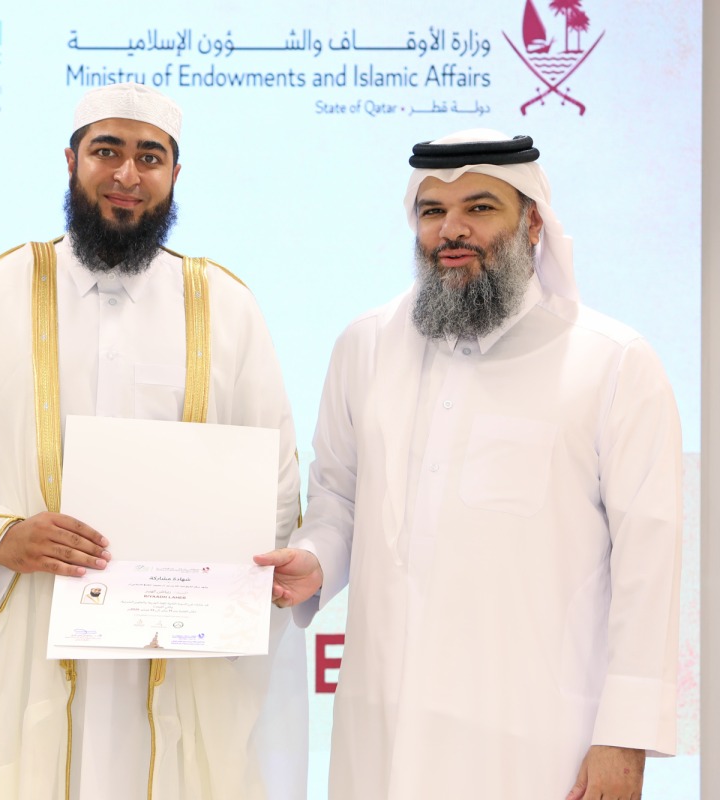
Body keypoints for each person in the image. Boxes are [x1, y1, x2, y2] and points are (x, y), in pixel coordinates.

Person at [0, 83, 305, 799]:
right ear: (71, 161)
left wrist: (230, 580)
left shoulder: (227, 309)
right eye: (105, 151)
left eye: (150, 156)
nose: (126, 174)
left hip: (179, 656)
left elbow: (274, 475)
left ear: (175, 174)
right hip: (30, 641)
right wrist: (1, 538)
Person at [256, 129, 682, 799]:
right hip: (383, 727)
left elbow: (648, 564)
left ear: (533, 221)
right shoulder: (364, 345)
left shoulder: (613, 362)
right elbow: (339, 501)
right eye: (432, 211)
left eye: (480, 208)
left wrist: (623, 738)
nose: (451, 230)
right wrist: (313, 562)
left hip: (537, 737)